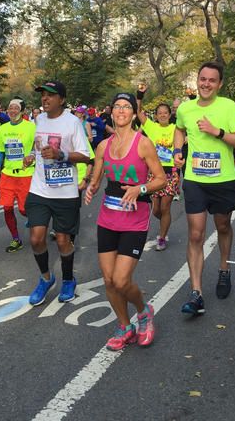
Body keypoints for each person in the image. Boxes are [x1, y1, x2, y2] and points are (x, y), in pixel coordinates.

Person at [85, 93, 166, 350]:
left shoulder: (143, 144)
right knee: (109, 280)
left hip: (135, 218)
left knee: (121, 280)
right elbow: (97, 179)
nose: (121, 110)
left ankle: (143, 311)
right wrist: (90, 188)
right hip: (108, 217)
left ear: (133, 114)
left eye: (126, 107)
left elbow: (161, 179)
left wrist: (140, 189)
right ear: (112, 112)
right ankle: (124, 326)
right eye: (117, 106)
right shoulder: (102, 146)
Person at [173, 62, 235, 316]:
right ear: (198, 81)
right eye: (202, 79)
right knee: (196, 234)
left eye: (211, 80)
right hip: (194, 179)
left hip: (224, 180)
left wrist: (217, 132)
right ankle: (196, 292)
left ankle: (224, 268)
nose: (205, 84)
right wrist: (176, 151)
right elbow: (179, 130)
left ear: (219, 84)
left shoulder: (228, 107)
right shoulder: (185, 108)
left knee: (223, 225)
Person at [24, 81, 91, 306]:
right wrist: (32, 157)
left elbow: (84, 155)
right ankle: (46, 278)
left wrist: (60, 154)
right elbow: (38, 147)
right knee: (36, 238)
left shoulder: (73, 122)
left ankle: (69, 279)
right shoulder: (38, 119)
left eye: (50, 95)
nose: (45, 99)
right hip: (39, 188)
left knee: (63, 241)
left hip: (65, 192)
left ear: (61, 100)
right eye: (43, 95)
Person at [137, 85, 181, 251]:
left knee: (165, 207)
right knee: (156, 210)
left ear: (170, 115)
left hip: (171, 173)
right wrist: (140, 95)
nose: (163, 115)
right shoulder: (152, 127)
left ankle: (162, 237)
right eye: (160, 113)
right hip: (154, 173)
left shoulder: (175, 129)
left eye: (166, 112)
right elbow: (139, 111)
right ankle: (164, 222)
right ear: (156, 116)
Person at [0, 99, 36, 252]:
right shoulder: (3, 128)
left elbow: (38, 147)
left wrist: (32, 156)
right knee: (7, 208)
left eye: (16, 108)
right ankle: (16, 239)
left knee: (24, 210)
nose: (12, 111)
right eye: (10, 108)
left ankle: (36, 220)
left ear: (22, 111)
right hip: (7, 175)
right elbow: (0, 150)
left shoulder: (31, 127)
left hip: (26, 174)